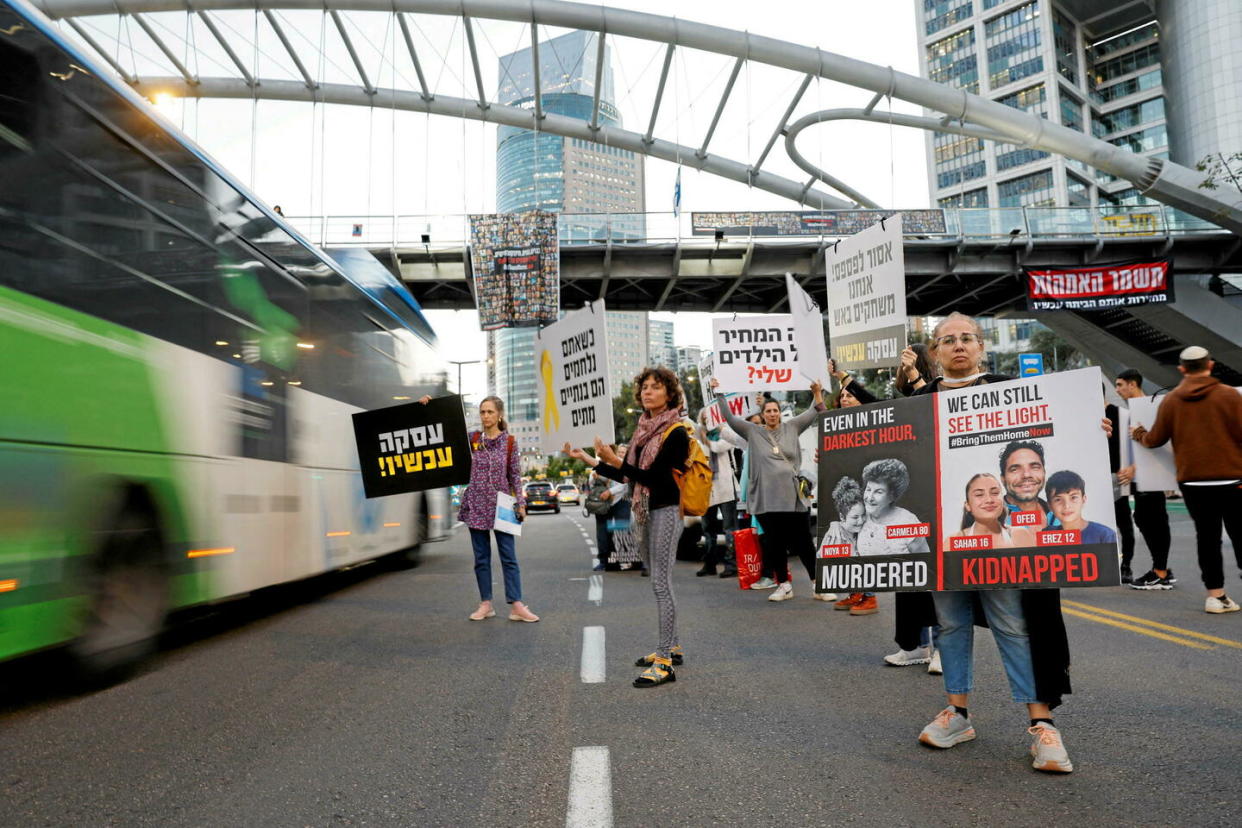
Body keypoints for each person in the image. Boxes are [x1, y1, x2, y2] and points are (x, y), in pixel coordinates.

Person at [912, 312, 1078, 775]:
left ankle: (1040, 724)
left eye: (968, 338)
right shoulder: (917, 401)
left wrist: (1091, 432)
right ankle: (957, 713)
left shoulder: (1012, 391)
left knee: (1012, 623)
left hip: (1000, 547)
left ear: (982, 346)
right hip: (943, 544)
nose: (959, 346)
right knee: (950, 625)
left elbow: (1060, 435)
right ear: (935, 353)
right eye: (948, 340)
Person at [567, 367, 690, 686]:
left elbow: (658, 478)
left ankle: (665, 661)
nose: (648, 392)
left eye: (656, 387)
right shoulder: (643, 431)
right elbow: (628, 476)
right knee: (659, 578)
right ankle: (672, 646)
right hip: (646, 510)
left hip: (666, 508)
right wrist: (590, 460)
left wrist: (617, 460)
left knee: (661, 582)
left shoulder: (676, 431)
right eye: (645, 388)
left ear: (669, 393)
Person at [1131, 346, 1242, 614]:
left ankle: (1216, 596)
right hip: (1232, 478)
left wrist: (1139, 434)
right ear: (1210, 365)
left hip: (1193, 483)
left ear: (1181, 369)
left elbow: (1155, 440)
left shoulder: (1172, 401)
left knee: (1207, 538)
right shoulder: (1229, 396)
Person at [424, 394, 539, 623]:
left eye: (490, 412)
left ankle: (516, 605)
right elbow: (444, 434)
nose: (485, 416)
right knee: (481, 558)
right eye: (482, 412)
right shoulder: (472, 439)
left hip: (503, 506)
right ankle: (486, 604)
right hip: (476, 503)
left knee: (509, 557)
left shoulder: (509, 442)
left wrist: (522, 503)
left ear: (499, 415)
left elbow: (515, 475)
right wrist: (431, 407)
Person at [710, 377, 826, 603]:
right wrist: (719, 393)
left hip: (794, 499)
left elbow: (815, 411)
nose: (772, 414)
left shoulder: (792, 427)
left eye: (775, 410)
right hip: (766, 500)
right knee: (775, 544)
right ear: (762, 414)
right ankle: (784, 585)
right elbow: (729, 418)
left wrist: (817, 392)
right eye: (768, 411)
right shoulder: (752, 431)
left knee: (803, 543)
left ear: (780, 412)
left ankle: (817, 585)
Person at [1109, 368, 1174, 588]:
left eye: (1119, 385)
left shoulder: (1149, 406)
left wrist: (1135, 468)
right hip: (1139, 477)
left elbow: (1158, 441)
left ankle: (1160, 571)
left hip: (1150, 475)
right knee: (1147, 519)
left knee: (1153, 520)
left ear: (1132, 384)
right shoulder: (1131, 411)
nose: (1117, 390)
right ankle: (1162, 567)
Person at [697, 410, 741, 578]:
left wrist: (706, 440)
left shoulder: (725, 432)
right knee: (708, 528)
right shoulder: (699, 435)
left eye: (710, 416)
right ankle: (709, 564)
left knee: (729, 527)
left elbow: (719, 446)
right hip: (706, 487)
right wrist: (703, 439)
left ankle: (731, 565)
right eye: (704, 417)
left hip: (725, 486)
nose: (707, 420)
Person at [946, 472, 1037, 550]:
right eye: (979, 494)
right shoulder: (953, 541)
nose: (989, 500)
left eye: (995, 493)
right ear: (968, 505)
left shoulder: (1020, 535)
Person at [1045, 471, 1117, 544]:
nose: (1066, 506)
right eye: (1058, 499)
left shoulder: (1104, 536)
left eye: (1073, 497)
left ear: (1083, 499)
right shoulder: (1048, 535)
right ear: (1050, 505)